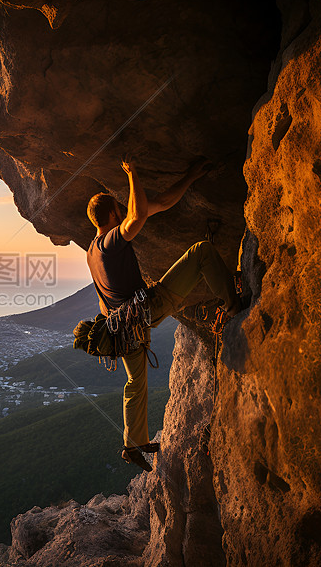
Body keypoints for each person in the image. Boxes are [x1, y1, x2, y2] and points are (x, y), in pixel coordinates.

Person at [85, 158, 241, 472]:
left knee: (135, 382)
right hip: (145, 310)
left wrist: (190, 175)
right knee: (201, 253)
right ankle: (234, 307)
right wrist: (133, 174)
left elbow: (160, 203)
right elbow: (139, 213)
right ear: (115, 213)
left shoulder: (92, 249)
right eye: (121, 209)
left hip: (121, 328)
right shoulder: (110, 241)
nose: (125, 212)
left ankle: (133, 443)